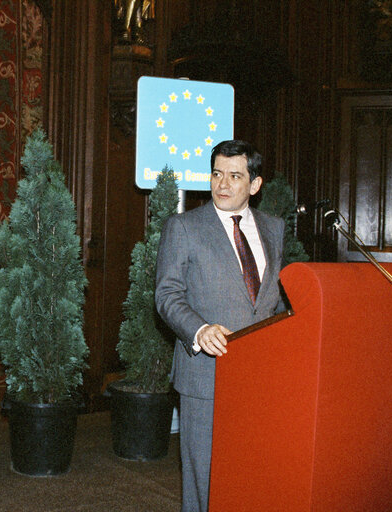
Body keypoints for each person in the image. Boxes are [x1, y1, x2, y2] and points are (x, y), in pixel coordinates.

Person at [155, 140, 285, 512]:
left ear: (255, 185)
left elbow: (273, 300)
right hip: (205, 377)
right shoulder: (184, 227)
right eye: (216, 174)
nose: (222, 184)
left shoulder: (274, 229)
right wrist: (199, 330)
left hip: (260, 378)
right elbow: (167, 295)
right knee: (204, 481)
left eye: (234, 176)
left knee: (251, 475)